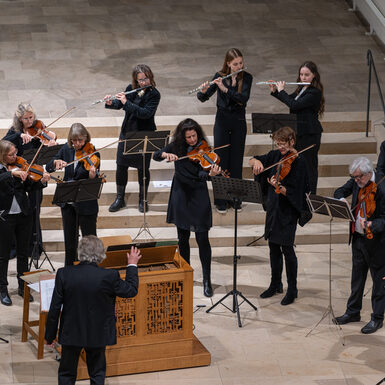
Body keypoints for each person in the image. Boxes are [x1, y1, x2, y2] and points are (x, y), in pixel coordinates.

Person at [45, 235, 141, 385]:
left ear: (80, 252)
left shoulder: (64, 274)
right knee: (97, 374)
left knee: (66, 374)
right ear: (101, 254)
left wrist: (49, 336)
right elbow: (131, 290)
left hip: (72, 332)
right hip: (98, 333)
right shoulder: (109, 276)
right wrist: (132, 265)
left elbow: (55, 308)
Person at [153, 118, 221, 297]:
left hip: (198, 194)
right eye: (188, 137)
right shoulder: (176, 146)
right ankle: (185, 275)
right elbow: (155, 155)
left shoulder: (204, 148)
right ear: (182, 137)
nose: (192, 140)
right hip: (181, 194)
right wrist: (165, 155)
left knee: (202, 239)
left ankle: (207, 279)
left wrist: (210, 174)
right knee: (182, 239)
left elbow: (202, 173)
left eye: (194, 136)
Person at [249, 126, 311, 305]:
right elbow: (253, 160)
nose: (280, 148)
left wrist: (283, 189)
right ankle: (275, 283)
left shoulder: (299, 163)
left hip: (288, 211)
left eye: (283, 145)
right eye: (278, 145)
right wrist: (256, 163)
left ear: (292, 141)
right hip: (273, 208)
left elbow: (301, 190)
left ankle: (293, 288)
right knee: (273, 247)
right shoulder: (275, 155)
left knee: (287, 249)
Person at [197, 48, 252, 213]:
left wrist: (226, 89)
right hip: (222, 122)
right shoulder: (219, 76)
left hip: (238, 122)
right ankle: (221, 200)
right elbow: (203, 98)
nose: (239, 66)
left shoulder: (247, 77)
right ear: (228, 63)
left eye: (240, 63)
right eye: (235, 64)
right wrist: (204, 91)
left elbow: (243, 99)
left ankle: (236, 198)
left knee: (236, 161)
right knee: (219, 160)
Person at [333, 156, 385, 334]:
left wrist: (372, 225)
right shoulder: (357, 180)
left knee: (378, 281)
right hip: (358, 238)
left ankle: (377, 318)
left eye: (359, 177)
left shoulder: (382, 186)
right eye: (354, 177)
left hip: (377, 241)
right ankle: (353, 312)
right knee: (357, 278)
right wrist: (341, 200)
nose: (356, 181)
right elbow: (339, 191)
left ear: (369, 172)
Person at [2, 103, 57, 259]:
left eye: (31, 117)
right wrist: (19, 136)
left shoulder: (39, 128)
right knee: (17, 212)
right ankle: (15, 247)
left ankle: (35, 246)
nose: (29, 121)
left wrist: (49, 144)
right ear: (19, 118)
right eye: (25, 118)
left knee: (34, 211)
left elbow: (46, 151)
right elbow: (3, 143)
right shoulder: (14, 131)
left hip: (34, 176)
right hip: (18, 176)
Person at [0, 140, 50, 306]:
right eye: (11, 154)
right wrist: (11, 173)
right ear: (2, 155)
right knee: (3, 256)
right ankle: (2, 289)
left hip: (24, 215)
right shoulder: (4, 170)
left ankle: (23, 287)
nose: (16, 156)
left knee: (23, 254)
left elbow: (30, 186)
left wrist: (41, 181)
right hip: (5, 217)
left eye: (15, 153)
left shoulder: (21, 166)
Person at [105, 64, 161, 213]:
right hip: (128, 132)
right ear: (136, 80)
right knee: (121, 165)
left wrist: (125, 103)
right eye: (140, 80)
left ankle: (143, 199)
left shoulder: (155, 94)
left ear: (150, 77)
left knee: (143, 168)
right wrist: (111, 103)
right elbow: (121, 104)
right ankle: (120, 198)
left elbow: (144, 113)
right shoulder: (131, 88)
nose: (143, 82)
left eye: (146, 79)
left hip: (144, 134)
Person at [46, 123, 100, 266]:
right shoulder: (66, 149)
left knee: (90, 242)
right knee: (70, 242)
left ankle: (91, 271)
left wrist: (93, 175)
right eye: (74, 140)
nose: (77, 144)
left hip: (86, 203)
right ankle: (69, 270)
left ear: (86, 138)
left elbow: (95, 177)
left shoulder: (93, 152)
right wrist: (55, 162)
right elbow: (50, 165)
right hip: (69, 202)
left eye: (80, 140)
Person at [269, 61, 325, 194]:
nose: (303, 78)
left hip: (310, 134)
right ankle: (300, 194)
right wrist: (276, 91)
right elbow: (290, 100)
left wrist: (281, 90)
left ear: (314, 76)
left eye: (307, 75)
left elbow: (294, 105)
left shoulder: (314, 92)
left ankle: (311, 196)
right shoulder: (302, 89)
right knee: (299, 165)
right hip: (299, 133)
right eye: (301, 74)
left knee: (309, 167)